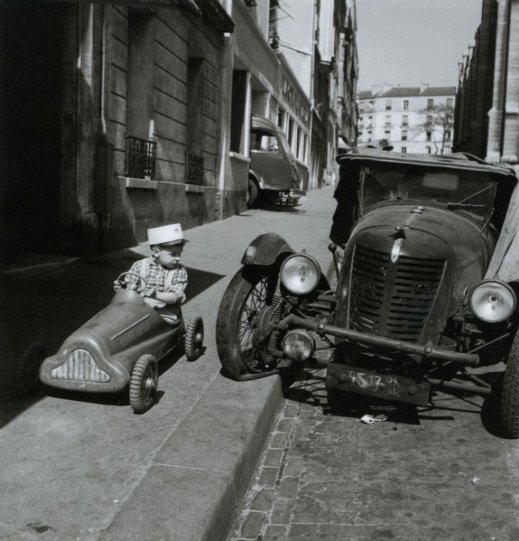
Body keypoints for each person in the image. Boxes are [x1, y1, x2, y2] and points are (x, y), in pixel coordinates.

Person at [114, 223, 188, 324]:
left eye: (180, 253)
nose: (178, 258)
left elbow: (176, 296)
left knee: (158, 324)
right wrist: (122, 287)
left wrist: (156, 294)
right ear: (156, 252)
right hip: (137, 308)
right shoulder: (140, 265)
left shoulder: (179, 271)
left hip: (164, 311)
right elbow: (130, 288)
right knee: (117, 319)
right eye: (173, 254)